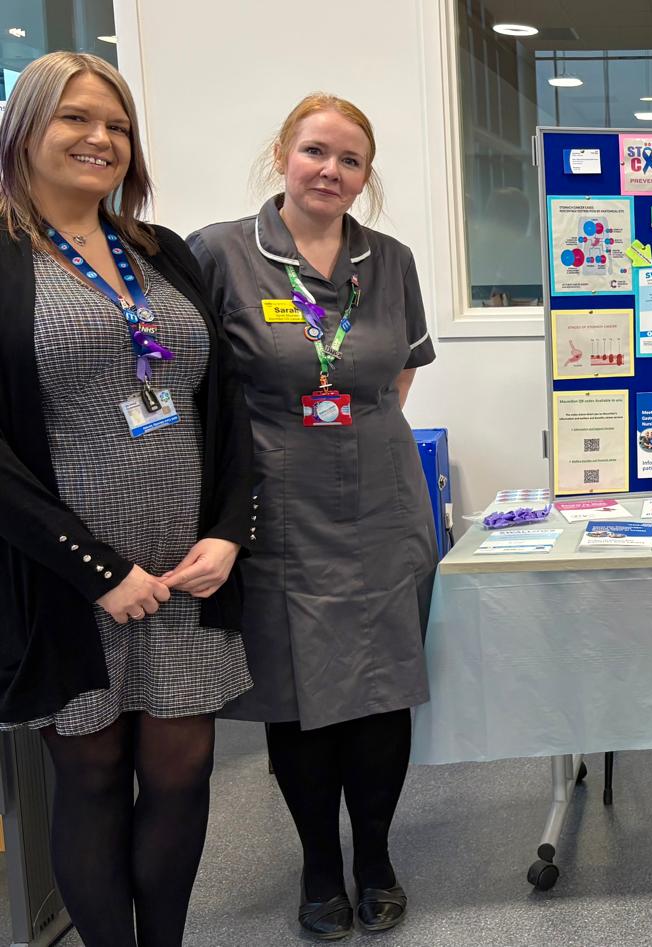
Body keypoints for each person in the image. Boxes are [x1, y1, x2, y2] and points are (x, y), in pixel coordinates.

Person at [0, 52, 254, 946]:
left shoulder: (161, 252)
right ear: (24, 127)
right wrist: (101, 572)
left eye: (115, 124)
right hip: (70, 584)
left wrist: (229, 531)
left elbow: (223, 409)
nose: (99, 138)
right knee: (94, 777)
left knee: (182, 775)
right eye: (75, 118)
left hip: (187, 575)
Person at [188, 93, 437, 938]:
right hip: (276, 504)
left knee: (379, 691)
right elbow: (200, 391)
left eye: (351, 160)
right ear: (283, 154)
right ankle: (320, 867)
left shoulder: (390, 260)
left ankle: (376, 858)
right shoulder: (219, 253)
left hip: (381, 502)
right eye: (316, 152)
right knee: (297, 697)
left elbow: (397, 377)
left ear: (367, 175)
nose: (331, 171)